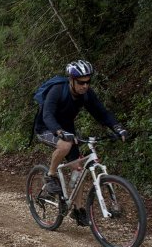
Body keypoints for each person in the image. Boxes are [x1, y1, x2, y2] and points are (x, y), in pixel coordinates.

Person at [34, 60, 127, 226]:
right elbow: (47, 115)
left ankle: (78, 210)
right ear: (71, 79)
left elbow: (101, 113)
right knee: (65, 145)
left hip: (68, 131)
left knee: (79, 168)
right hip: (46, 128)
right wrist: (59, 131)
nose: (85, 86)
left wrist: (117, 127)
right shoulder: (57, 90)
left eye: (88, 82)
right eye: (81, 82)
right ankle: (50, 176)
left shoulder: (86, 94)